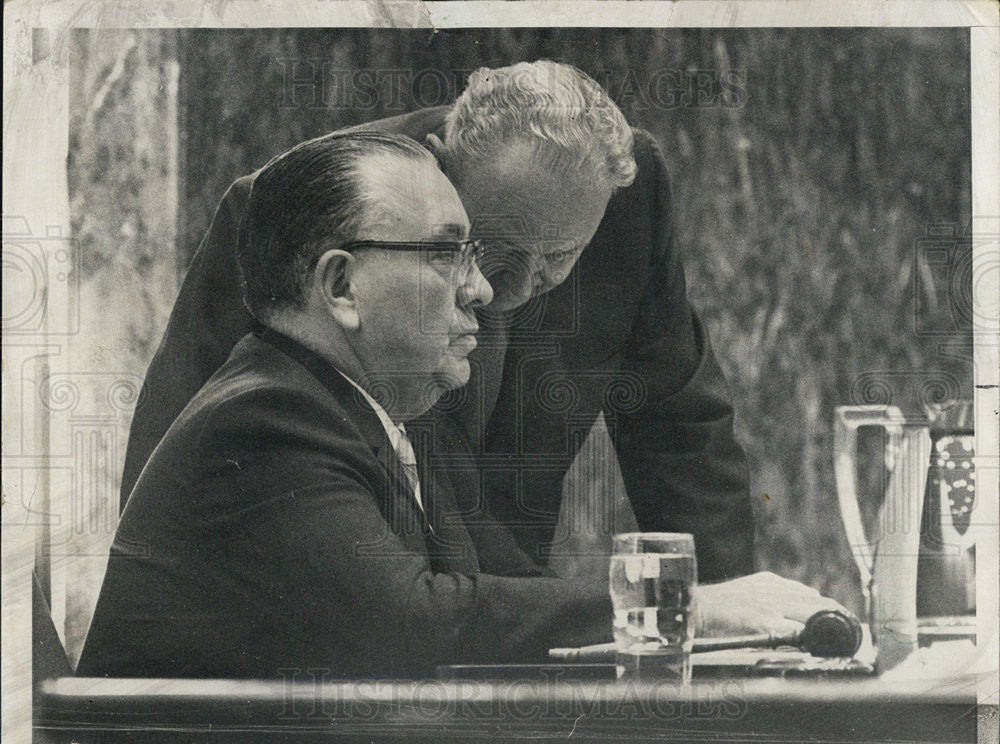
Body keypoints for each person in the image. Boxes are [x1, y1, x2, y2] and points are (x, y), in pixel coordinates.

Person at [78, 132, 844, 680]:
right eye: (448, 253)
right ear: (341, 288)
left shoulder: (375, 416)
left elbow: (502, 587)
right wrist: (692, 609)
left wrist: (725, 615)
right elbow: (417, 624)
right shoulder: (267, 423)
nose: (483, 290)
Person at [119, 61, 755, 582]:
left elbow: (680, 430)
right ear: (438, 165)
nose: (495, 291)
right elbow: (176, 470)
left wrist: (740, 633)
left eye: (558, 260)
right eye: (480, 246)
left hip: (510, 618)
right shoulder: (288, 211)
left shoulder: (619, 197)